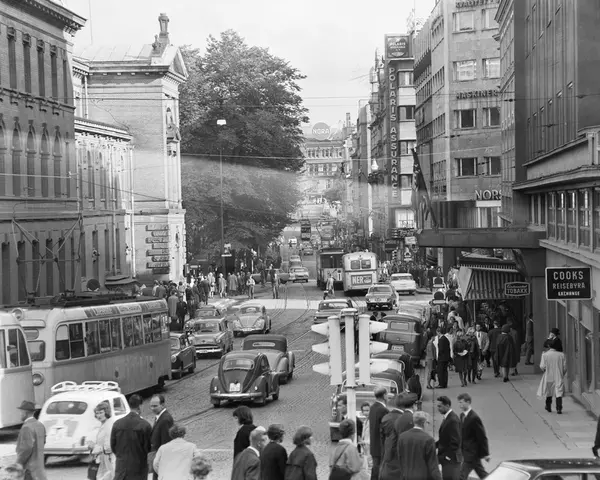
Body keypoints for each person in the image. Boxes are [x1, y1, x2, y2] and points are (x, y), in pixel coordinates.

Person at [110, 394, 152, 480]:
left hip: (121, 467)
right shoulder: (145, 425)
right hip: (138, 468)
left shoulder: (117, 424)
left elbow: (113, 445)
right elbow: (148, 448)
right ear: (140, 406)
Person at [397, 411, 442, 480]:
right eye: (428, 423)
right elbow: (433, 466)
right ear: (424, 423)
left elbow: (400, 459)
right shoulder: (428, 439)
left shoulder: (402, 437)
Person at [457, 393, 490, 480]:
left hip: (472, 453)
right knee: (482, 474)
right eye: (459, 402)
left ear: (468, 402)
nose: (460, 405)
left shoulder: (474, 417)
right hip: (467, 453)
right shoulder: (462, 415)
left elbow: (482, 436)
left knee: (461, 476)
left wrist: (486, 454)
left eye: (461, 402)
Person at [15, 400, 46, 480]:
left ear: (25, 413)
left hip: (30, 470)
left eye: (21, 412)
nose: (20, 414)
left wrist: (18, 463)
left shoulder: (26, 427)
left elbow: (26, 448)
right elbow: (43, 442)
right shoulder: (40, 425)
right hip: (40, 469)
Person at [379, 394, 404, 480]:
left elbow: (382, 437)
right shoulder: (403, 419)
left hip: (388, 454)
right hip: (399, 457)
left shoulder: (386, 417)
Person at [88, 402, 116, 480]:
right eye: (97, 413)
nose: (99, 415)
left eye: (101, 413)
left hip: (109, 459)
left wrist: (94, 447)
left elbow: (109, 446)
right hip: (104, 459)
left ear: (106, 412)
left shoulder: (109, 425)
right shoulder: (104, 424)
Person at [537, 342, 567, 414]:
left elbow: (542, 366)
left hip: (548, 375)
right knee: (559, 391)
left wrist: (545, 370)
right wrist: (562, 373)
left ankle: (548, 406)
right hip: (558, 375)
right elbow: (565, 367)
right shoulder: (561, 355)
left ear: (549, 346)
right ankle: (559, 408)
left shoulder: (545, 355)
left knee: (549, 391)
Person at [149, 394, 174, 480]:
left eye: (155, 406)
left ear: (163, 405)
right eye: (151, 406)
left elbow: (166, 442)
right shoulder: (160, 417)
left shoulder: (165, 420)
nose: (152, 408)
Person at [436, 396, 462, 480]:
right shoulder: (448, 418)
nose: (438, 408)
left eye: (440, 406)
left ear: (447, 406)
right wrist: (432, 445)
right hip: (448, 459)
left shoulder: (452, 420)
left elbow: (456, 441)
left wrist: (447, 457)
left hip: (451, 460)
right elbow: (444, 439)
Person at [368, 387, 389, 480]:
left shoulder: (372, 407)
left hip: (374, 443)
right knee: (379, 469)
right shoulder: (383, 410)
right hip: (380, 444)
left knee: (375, 468)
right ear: (384, 395)